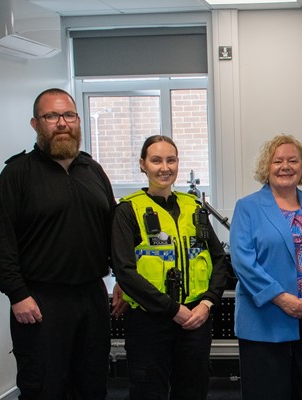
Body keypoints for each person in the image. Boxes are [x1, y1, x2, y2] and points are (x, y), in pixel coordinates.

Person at [0, 88, 115, 399]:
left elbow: (112, 231)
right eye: (51, 116)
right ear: (36, 124)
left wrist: (122, 280)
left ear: (78, 120)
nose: (62, 123)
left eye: (68, 115)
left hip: (92, 298)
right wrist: (17, 295)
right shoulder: (17, 174)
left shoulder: (93, 170)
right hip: (40, 302)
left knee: (92, 384)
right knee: (44, 387)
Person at [111, 135, 230, 399]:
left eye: (171, 160)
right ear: (143, 164)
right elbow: (125, 272)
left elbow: (219, 259)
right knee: (148, 391)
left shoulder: (194, 207)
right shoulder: (128, 211)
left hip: (195, 319)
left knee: (193, 391)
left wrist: (207, 303)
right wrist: (172, 309)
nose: (164, 167)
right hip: (149, 322)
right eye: (156, 160)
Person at [230, 134, 302, 400]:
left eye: (293, 160)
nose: (286, 166)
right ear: (266, 167)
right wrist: (282, 299)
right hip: (265, 323)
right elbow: (243, 261)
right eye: (278, 161)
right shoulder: (247, 207)